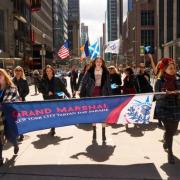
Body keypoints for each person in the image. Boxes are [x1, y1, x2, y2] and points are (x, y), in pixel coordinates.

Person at [79, 57, 111, 143]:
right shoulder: (89, 71)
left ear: (102, 63)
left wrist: (111, 97)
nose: (99, 63)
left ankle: (104, 134)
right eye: (97, 61)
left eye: (100, 61)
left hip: (103, 94)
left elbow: (108, 85)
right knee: (94, 114)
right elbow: (83, 82)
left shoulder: (106, 72)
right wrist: (81, 92)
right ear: (95, 62)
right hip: (92, 94)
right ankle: (94, 132)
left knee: (103, 114)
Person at [155, 58, 180, 164]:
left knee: (173, 130)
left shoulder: (178, 79)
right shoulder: (159, 81)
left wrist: (177, 92)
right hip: (164, 108)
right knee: (170, 131)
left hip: (176, 106)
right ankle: (170, 153)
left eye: (174, 68)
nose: (173, 70)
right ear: (164, 69)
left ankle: (166, 138)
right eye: (170, 68)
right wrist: (165, 94)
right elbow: (156, 96)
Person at [38, 65, 71, 136]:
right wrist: (46, 92)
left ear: (52, 71)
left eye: (50, 71)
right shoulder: (43, 80)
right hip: (47, 99)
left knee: (54, 114)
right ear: (45, 72)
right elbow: (39, 89)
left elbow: (63, 88)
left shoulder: (57, 79)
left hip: (56, 99)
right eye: (47, 71)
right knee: (50, 114)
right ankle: (52, 126)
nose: (48, 72)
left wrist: (69, 96)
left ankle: (53, 128)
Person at [0, 69, 19, 166]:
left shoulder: (12, 88)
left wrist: (4, 104)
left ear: (5, 76)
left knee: (9, 136)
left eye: (0, 75)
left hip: (8, 117)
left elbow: (15, 99)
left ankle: (15, 144)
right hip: (0, 119)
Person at [13, 66, 29, 141]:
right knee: (14, 118)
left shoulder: (24, 81)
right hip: (13, 102)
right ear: (15, 71)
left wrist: (22, 96)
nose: (18, 72)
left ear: (22, 72)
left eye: (20, 70)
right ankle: (16, 132)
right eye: (17, 70)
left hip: (21, 101)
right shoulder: (11, 80)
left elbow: (27, 91)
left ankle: (21, 133)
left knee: (21, 118)